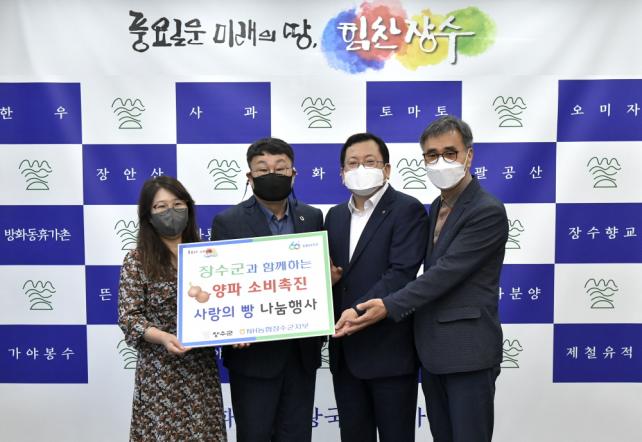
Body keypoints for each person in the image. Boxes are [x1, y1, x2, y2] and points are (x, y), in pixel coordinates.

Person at [335, 115, 509, 442]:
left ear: (469, 155)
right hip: (432, 352)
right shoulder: (437, 206)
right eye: (432, 155)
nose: (441, 161)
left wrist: (388, 305)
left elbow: (445, 274)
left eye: (450, 153)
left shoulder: (486, 209)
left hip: (467, 351)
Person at [211, 137, 324, 442]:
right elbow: (220, 286)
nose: (272, 174)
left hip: (301, 354)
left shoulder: (312, 217)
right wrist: (231, 328)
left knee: (297, 436)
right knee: (254, 435)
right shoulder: (228, 222)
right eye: (262, 169)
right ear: (250, 177)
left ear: (293, 174)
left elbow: (316, 278)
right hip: (253, 357)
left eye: (280, 168)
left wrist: (329, 279)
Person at [325, 133, 428, 442]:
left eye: (369, 162)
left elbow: (401, 274)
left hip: (389, 352)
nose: (360, 168)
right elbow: (333, 275)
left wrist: (356, 310)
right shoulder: (335, 216)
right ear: (342, 172)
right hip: (345, 354)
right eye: (352, 163)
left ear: (387, 169)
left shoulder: (407, 209)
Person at [118, 176, 226, 441]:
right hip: (160, 373)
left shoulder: (208, 256)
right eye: (161, 206)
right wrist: (163, 337)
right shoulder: (137, 260)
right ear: (148, 215)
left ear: (189, 208)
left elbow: (225, 305)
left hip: (200, 369)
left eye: (178, 204)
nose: (171, 211)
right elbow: (129, 317)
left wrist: (237, 332)